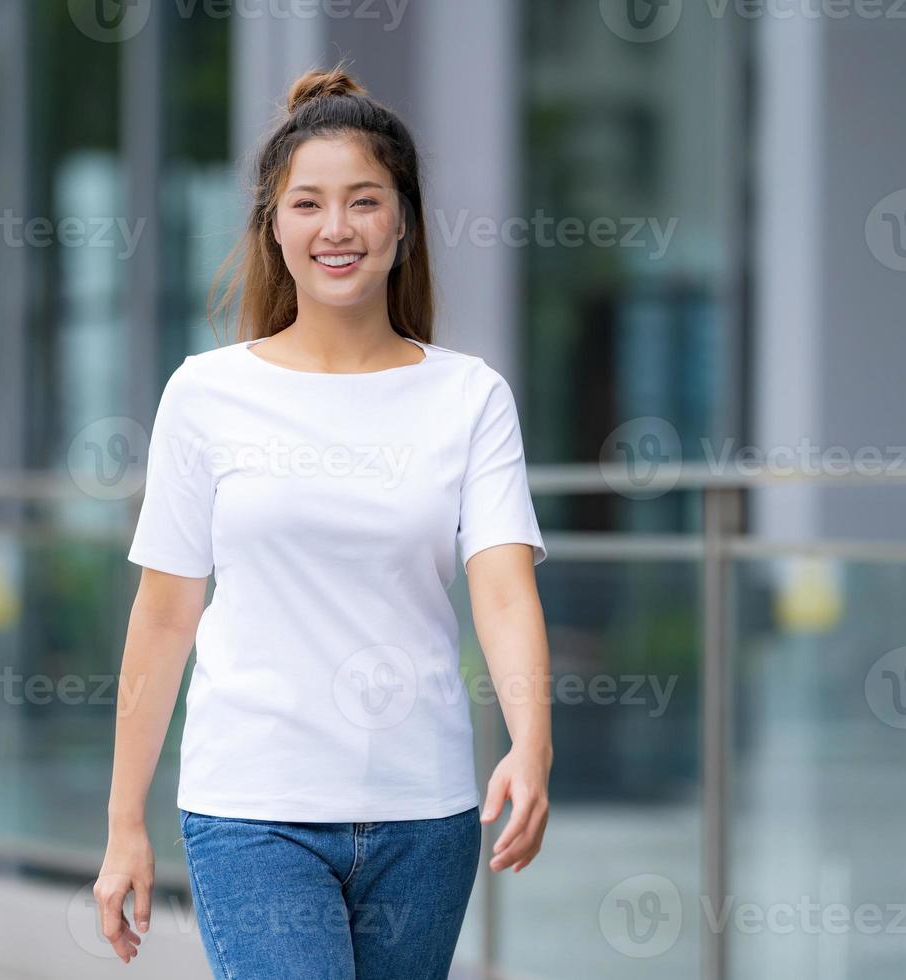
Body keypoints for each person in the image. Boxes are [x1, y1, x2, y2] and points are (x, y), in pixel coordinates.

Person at [93, 59, 552, 979]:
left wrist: (532, 744)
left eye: (364, 201)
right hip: (252, 809)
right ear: (273, 223)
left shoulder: (469, 397)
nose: (336, 228)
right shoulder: (207, 393)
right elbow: (165, 615)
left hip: (425, 815)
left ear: (404, 220)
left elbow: (502, 595)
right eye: (307, 203)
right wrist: (122, 824)